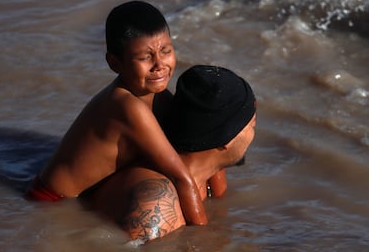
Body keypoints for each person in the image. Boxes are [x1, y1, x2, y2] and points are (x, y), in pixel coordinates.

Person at [25, 1, 207, 225]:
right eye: (145, 57)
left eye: (166, 51)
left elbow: (197, 142)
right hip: (54, 202)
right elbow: (181, 177)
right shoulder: (126, 106)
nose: (159, 64)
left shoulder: (160, 96)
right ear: (115, 63)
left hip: (90, 192)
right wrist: (205, 238)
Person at [81, 65, 257, 244]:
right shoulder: (156, 203)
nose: (253, 134)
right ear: (226, 139)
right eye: (252, 125)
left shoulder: (208, 174)